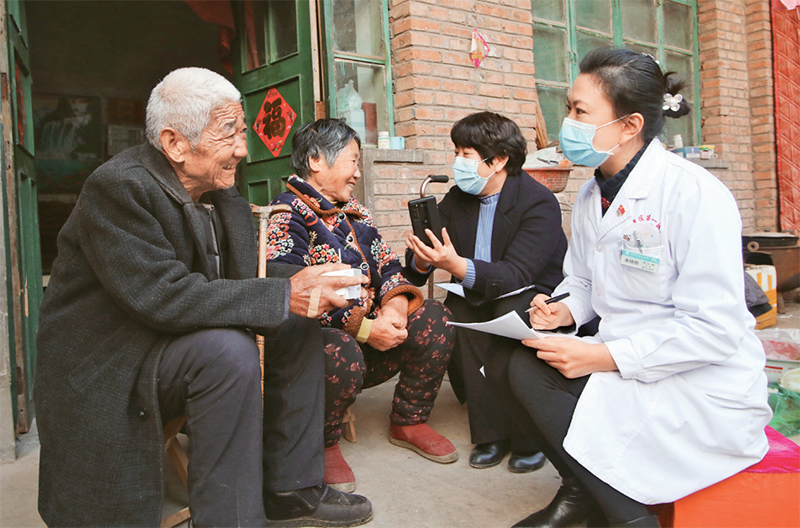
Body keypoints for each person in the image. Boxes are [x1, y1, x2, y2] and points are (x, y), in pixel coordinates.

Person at [35, 68, 373, 528]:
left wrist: (307, 281)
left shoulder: (219, 188)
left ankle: (292, 489)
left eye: (242, 130)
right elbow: (161, 296)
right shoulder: (117, 187)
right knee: (228, 352)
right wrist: (283, 293)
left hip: (171, 336)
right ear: (174, 143)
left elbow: (243, 276)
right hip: (116, 355)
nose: (242, 148)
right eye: (228, 133)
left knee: (293, 319)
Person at [508, 47, 772, 528]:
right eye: (568, 108)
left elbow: (714, 329)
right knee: (525, 363)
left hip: (696, 378)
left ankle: (629, 519)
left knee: (551, 377)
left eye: (580, 112)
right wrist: (563, 309)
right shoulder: (591, 194)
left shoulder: (694, 194)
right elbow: (583, 279)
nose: (567, 123)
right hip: (629, 354)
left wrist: (603, 357)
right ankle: (581, 491)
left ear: (629, 125)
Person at [264, 118, 456, 493]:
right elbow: (293, 291)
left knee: (437, 318)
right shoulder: (285, 214)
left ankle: (409, 420)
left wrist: (395, 308)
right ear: (316, 160)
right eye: (352, 161)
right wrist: (365, 328)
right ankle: (323, 440)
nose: (356, 173)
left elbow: (387, 265)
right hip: (326, 351)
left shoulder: (356, 212)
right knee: (337, 350)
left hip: (372, 339)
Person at [403, 112, 567, 474]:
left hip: (530, 294)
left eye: (466, 154)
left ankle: (529, 438)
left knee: (509, 316)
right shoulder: (458, 198)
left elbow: (518, 274)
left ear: (498, 160)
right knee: (459, 314)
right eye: (456, 152)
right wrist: (423, 258)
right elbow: (421, 260)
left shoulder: (538, 202)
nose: (457, 162)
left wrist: (455, 264)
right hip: (477, 291)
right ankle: (490, 434)